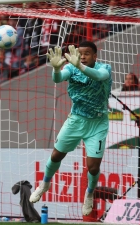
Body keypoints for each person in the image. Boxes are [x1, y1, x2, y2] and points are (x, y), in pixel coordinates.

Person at [29, 42, 112, 216]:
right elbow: (57, 79)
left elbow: (98, 76)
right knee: (56, 155)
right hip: (75, 120)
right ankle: (44, 183)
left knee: (93, 167)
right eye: (80, 53)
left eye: (87, 53)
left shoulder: (104, 68)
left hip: (97, 123)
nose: (82, 56)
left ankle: (89, 193)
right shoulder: (71, 68)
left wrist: (79, 65)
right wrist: (56, 69)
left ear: (95, 56)